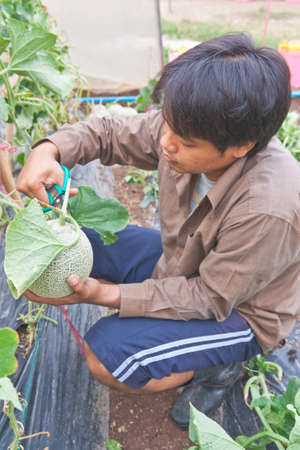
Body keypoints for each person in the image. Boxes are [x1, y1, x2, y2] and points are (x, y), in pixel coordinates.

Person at [16, 33, 300, 428]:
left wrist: (104, 296)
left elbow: (210, 297)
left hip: (240, 309)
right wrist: (48, 150)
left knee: (107, 360)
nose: (165, 143)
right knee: (84, 243)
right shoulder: (186, 127)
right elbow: (108, 134)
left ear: (240, 147)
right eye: (166, 125)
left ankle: (217, 367)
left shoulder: (268, 208)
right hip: (187, 262)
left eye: (183, 142)